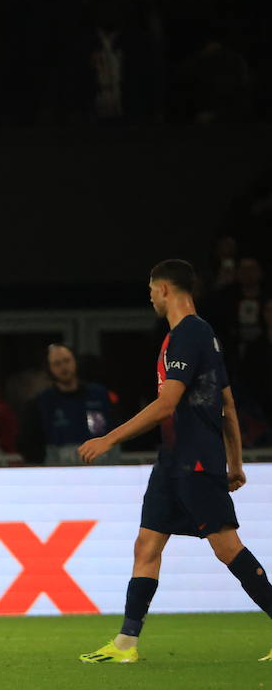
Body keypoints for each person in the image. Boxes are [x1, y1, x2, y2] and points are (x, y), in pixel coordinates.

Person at [78, 259, 272, 663]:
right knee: (146, 544)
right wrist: (236, 463)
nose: (149, 296)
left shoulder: (189, 334)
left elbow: (168, 404)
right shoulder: (201, 337)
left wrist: (109, 438)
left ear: (165, 289)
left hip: (196, 461)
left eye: (151, 288)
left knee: (226, 547)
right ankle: (126, 643)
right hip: (173, 461)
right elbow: (229, 406)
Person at [19, 343, 115, 465]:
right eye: (57, 364)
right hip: (59, 470)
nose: (64, 367)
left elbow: (113, 430)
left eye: (67, 361)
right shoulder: (42, 402)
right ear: (49, 368)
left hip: (100, 466)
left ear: (75, 362)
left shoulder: (99, 394)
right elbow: (29, 443)